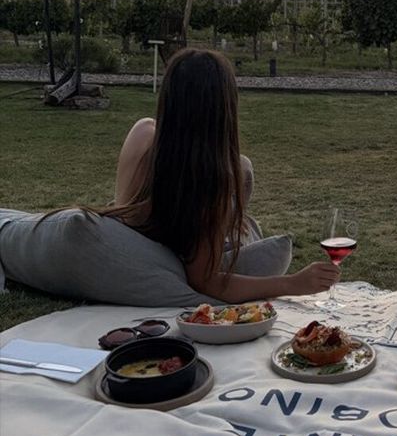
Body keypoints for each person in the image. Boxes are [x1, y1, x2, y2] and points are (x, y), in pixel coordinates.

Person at [109, 47, 339, 302]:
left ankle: (232, 231)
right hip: (175, 261)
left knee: (242, 171)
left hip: (142, 245)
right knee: (258, 229)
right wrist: (294, 283)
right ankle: (233, 233)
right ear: (223, 108)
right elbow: (206, 281)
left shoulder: (142, 133)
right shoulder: (210, 181)